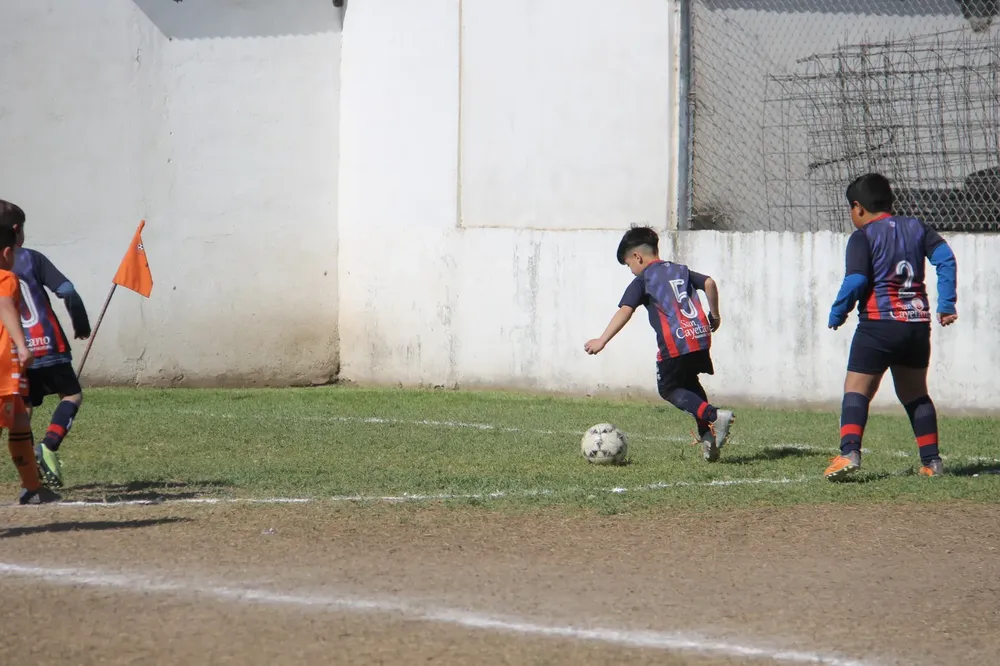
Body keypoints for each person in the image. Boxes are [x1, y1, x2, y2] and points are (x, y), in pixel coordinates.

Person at [825, 173, 958, 481]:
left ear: (858, 208)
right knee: (915, 394)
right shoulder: (917, 227)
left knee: (856, 389)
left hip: (879, 324)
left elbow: (857, 280)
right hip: (916, 326)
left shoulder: (863, 236)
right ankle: (932, 462)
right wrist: (947, 304)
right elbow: (946, 259)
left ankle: (849, 453)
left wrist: (838, 312)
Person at [584, 226, 735, 461]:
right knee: (691, 385)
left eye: (628, 265)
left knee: (669, 389)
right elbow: (710, 283)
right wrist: (714, 316)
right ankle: (708, 436)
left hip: (675, 342)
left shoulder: (644, 279)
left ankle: (714, 416)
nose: (631, 271)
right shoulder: (680, 270)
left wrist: (601, 340)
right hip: (699, 336)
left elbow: (625, 310)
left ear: (637, 257)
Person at [0, 200, 90, 488]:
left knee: (23, 409)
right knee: (71, 395)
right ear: (17, 230)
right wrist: (81, 323)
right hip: (48, 345)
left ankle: (29, 477)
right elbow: (67, 290)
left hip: (15, 351)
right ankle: (49, 445)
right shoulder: (31, 259)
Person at [0, 216, 60, 503]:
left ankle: (33, 488)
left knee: (21, 421)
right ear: (7, 252)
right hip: (2, 367)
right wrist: (22, 345)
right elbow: (4, 305)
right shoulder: (5, 276)